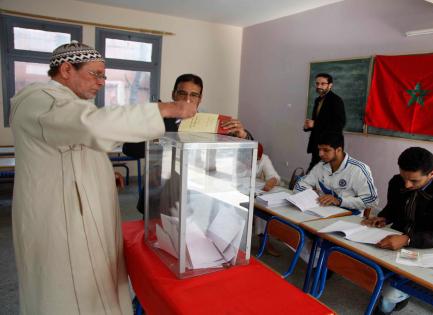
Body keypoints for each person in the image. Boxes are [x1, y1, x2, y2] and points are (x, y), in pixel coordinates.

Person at [10, 41, 197, 314]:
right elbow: (91, 126)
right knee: (69, 291)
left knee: (95, 284)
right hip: (61, 221)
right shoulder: (42, 99)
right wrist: (165, 110)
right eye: (95, 74)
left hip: (81, 209)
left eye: (103, 75)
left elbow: (74, 144)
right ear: (65, 70)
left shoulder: (67, 103)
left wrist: (104, 171)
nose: (101, 82)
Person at [122, 73, 254, 214]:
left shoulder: (212, 124)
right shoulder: (157, 120)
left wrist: (244, 135)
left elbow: (246, 151)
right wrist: (155, 132)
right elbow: (129, 149)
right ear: (173, 95)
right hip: (159, 195)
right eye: (182, 93)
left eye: (194, 95)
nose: (187, 100)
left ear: (200, 99)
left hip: (196, 198)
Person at [362, 147, 433, 315]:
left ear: (431, 174)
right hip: (397, 240)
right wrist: (384, 218)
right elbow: (393, 209)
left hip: (426, 247)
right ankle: (392, 292)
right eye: (404, 177)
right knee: (362, 265)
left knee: (390, 291)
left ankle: (388, 304)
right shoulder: (397, 181)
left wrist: (408, 239)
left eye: (414, 181)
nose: (406, 184)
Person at [295, 132, 377, 215]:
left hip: (348, 218)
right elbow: (300, 185)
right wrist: (311, 194)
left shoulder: (358, 169)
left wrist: (339, 201)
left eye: (326, 150)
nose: (320, 154)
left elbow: (372, 200)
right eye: (319, 149)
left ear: (339, 150)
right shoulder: (321, 166)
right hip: (321, 213)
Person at [303, 73, 346, 172]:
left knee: (325, 174)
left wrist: (315, 124)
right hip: (317, 144)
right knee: (314, 173)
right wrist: (308, 126)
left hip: (330, 146)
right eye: (317, 83)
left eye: (323, 84)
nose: (319, 86)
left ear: (330, 85)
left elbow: (339, 124)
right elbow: (318, 121)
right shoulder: (318, 100)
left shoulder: (336, 100)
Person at [254, 143, 282, 256]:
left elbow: (274, 176)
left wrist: (272, 180)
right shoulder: (236, 158)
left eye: (258, 159)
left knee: (262, 206)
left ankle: (264, 240)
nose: (257, 161)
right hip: (237, 191)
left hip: (255, 191)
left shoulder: (264, 159)